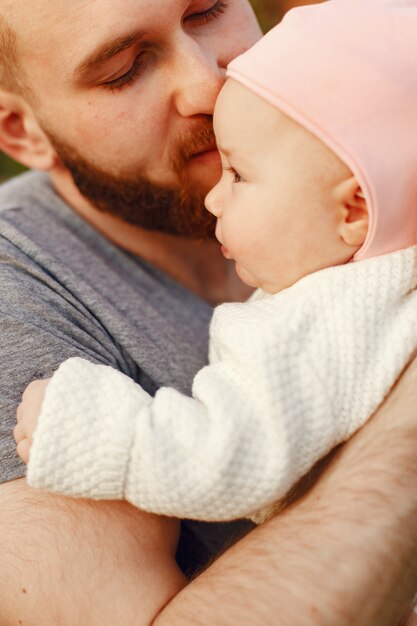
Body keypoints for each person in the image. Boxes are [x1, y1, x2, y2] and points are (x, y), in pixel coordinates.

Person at [0, 0, 415, 624]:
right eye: (124, 69)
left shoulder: (361, 151)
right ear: (19, 133)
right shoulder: (21, 296)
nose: (209, 83)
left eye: (209, 10)